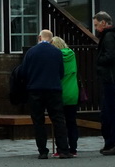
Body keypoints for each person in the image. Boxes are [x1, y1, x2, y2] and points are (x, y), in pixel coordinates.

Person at [18, 29, 71, 159]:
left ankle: (42, 151)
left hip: (35, 90)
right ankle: (63, 149)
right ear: (52, 40)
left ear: (39, 38)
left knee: (38, 120)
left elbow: (23, 72)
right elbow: (61, 72)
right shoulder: (57, 52)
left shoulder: (31, 52)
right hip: (53, 89)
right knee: (58, 119)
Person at [93, 11, 115, 156]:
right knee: (108, 113)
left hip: (110, 79)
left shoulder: (108, 36)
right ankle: (111, 143)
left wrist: (98, 62)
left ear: (103, 22)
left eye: (96, 25)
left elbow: (110, 55)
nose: (95, 28)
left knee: (111, 113)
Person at [51, 36, 79, 157]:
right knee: (72, 122)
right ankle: (73, 148)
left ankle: (61, 148)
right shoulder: (72, 55)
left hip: (59, 92)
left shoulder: (55, 57)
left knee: (59, 123)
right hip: (73, 92)